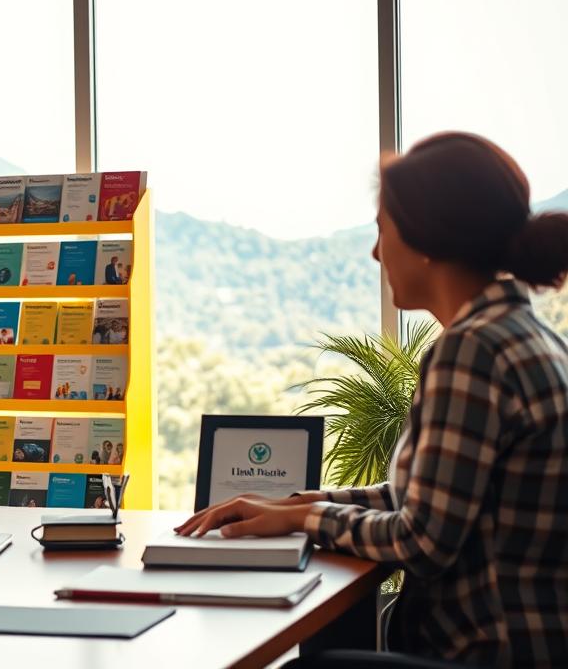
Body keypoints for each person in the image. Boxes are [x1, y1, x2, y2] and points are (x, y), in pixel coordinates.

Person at [176, 132, 568, 667]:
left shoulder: (472, 350)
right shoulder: (528, 337)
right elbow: (428, 501)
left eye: (383, 230)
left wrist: (304, 521)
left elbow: (422, 540)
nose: (376, 252)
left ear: (427, 240)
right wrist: (297, 503)